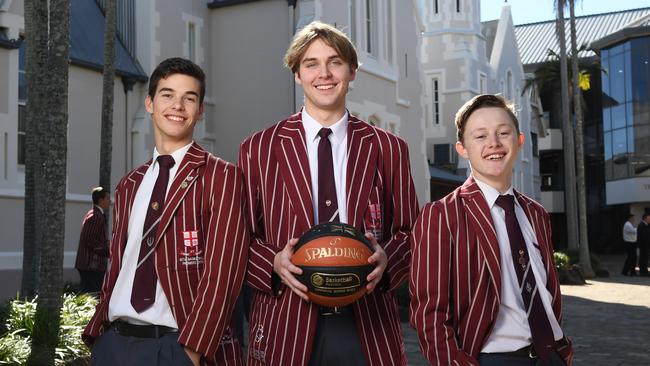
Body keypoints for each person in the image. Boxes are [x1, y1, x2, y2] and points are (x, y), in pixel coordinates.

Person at [239, 21, 419, 366]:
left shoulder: (389, 148)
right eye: (311, 64)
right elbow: (239, 237)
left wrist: (388, 259)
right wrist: (274, 262)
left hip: (368, 325)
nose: (324, 73)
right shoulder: (258, 148)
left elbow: (410, 232)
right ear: (297, 74)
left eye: (335, 62)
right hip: (285, 321)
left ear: (352, 71)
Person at [83, 58, 249, 366]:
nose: (178, 105)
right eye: (168, 94)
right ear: (150, 103)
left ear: (200, 111)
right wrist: (99, 336)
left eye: (190, 98)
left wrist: (192, 351)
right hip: (113, 345)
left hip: (176, 347)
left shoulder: (221, 176)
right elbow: (119, 261)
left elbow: (224, 271)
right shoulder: (130, 184)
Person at [410, 94, 573, 366]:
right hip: (493, 359)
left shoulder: (536, 214)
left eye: (503, 133)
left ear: (520, 141)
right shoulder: (441, 215)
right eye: (480, 136)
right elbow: (429, 314)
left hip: (551, 355)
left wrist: (561, 353)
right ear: (462, 149)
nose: (494, 144)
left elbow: (546, 290)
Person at [74, 186, 110, 293]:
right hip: (91, 265)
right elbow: (89, 239)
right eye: (107, 198)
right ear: (100, 200)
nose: (110, 201)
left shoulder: (96, 215)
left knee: (92, 295)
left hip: (91, 265)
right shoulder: (94, 216)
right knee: (94, 295)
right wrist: (107, 250)